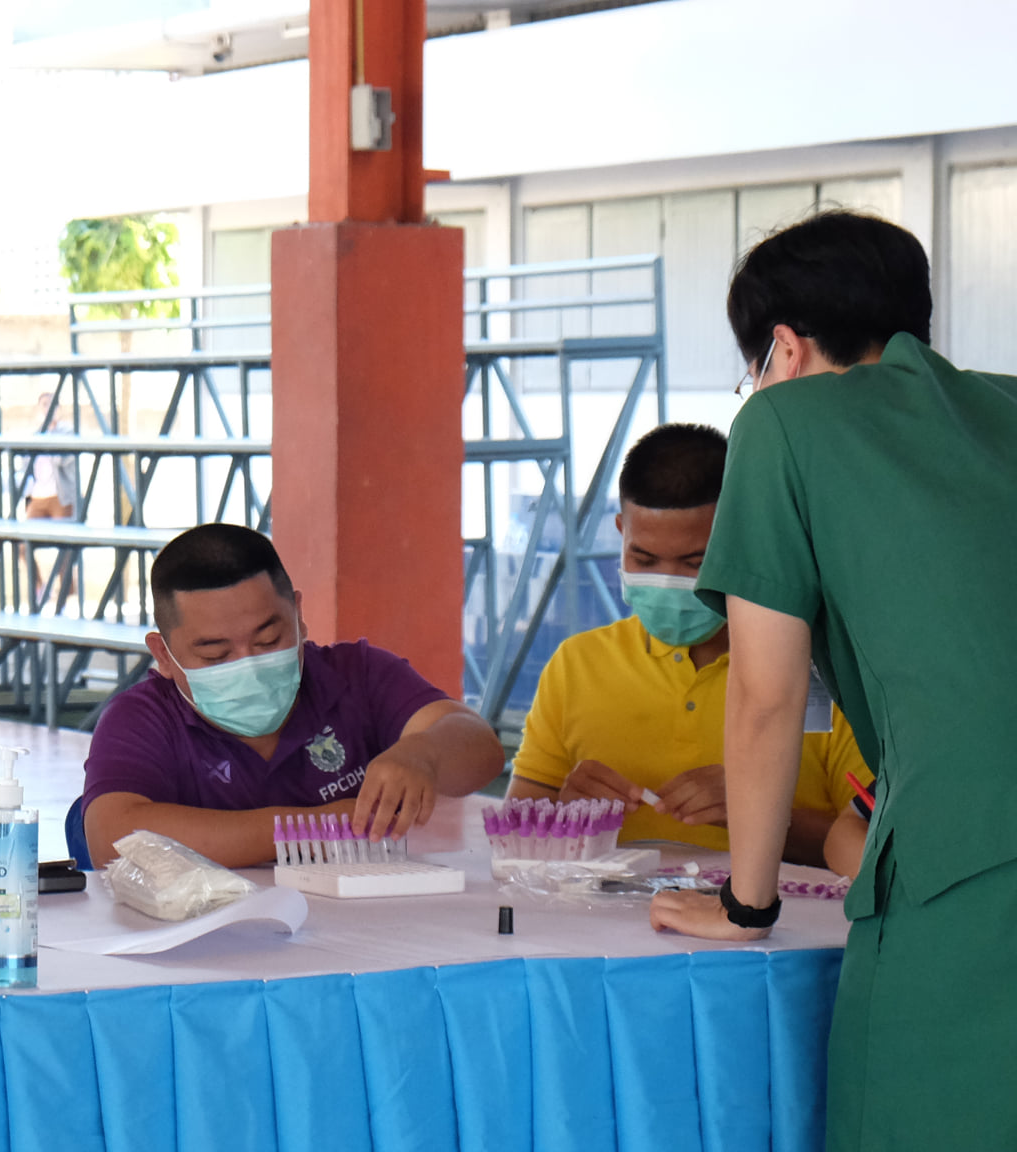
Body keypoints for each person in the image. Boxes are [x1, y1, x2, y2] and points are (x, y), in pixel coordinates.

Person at [646, 211, 1017, 1149]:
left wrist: (746, 904)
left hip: (969, 858)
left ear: (782, 346)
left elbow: (766, 694)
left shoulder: (784, 420)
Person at [506, 422, 870, 867]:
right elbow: (518, 830)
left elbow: (872, 843)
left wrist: (759, 812)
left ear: (743, 540)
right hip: (602, 925)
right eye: (643, 558)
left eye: (694, 562)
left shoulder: (828, 671)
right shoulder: (576, 665)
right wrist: (568, 809)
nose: (667, 581)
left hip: (770, 925)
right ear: (621, 531)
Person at [82, 523, 505, 867]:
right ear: (164, 654)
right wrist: (312, 828)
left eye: (268, 640)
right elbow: (113, 837)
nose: (247, 663)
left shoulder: (355, 676)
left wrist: (423, 755)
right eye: (215, 653)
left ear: (299, 616)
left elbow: (479, 746)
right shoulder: (144, 718)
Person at [20, 391, 79, 606]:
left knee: (64, 548)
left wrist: (49, 442)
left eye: (51, 405)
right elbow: (25, 466)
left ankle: (65, 598)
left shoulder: (68, 432)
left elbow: (66, 460)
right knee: (23, 545)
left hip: (60, 496)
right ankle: (39, 587)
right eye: (44, 404)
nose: (47, 409)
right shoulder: (35, 436)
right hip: (38, 496)